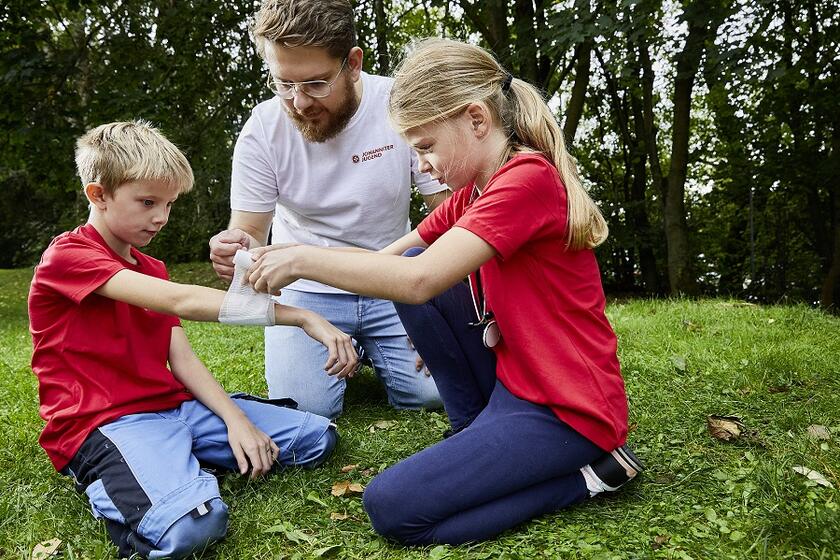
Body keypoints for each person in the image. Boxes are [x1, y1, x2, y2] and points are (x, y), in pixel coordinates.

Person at [242, 39, 644, 545]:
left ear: (476, 119)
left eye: (426, 146)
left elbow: (420, 281)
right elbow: (393, 260)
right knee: (412, 261)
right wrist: (301, 284)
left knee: (391, 508)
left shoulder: (527, 181)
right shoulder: (477, 190)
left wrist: (298, 258)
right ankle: (472, 429)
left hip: (570, 409)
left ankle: (591, 475)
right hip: (515, 385)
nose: (423, 165)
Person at [28, 121, 355, 559]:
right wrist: (299, 315)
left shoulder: (152, 266)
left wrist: (237, 419)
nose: (161, 217)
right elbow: (180, 300)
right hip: (105, 422)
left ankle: (182, 461)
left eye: (168, 204)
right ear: (98, 195)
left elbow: (180, 359)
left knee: (316, 438)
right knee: (191, 528)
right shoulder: (69, 257)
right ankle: (149, 482)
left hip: (174, 407)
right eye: (147, 202)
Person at [209, 0, 448, 420]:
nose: (298, 102)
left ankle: (375, 347)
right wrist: (235, 248)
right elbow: (249, 233)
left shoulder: (399, 105)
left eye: (316, 84)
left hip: (392, 279)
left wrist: (441, 308)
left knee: (435, 393)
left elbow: (448, 215)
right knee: (304, 409)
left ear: (353, 63)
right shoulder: (262, 129)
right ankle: (351, 350)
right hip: (304, 290)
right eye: (283, 84)